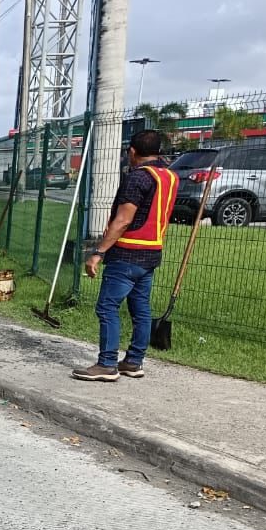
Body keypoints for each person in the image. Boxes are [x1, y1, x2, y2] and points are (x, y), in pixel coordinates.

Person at [72, 129, 179, 382]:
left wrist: (98, 252)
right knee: (140, 308)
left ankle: (107, 363)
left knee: (107, 307)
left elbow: (123, 220)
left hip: (128, 252)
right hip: (152, 251)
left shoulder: (137, 178)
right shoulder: (170, 177)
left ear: (132, 151)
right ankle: (133, 361)